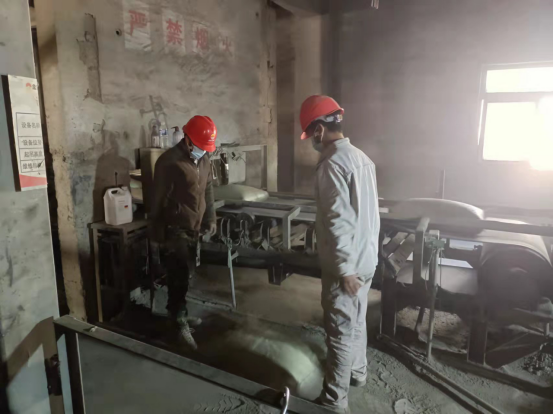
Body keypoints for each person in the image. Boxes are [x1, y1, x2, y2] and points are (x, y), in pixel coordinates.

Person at [299, 95, 380, 413]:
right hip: (366, 258)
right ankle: (358, 372)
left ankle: (334, 401)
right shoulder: (362, 158)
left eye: (310, 134)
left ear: (319, 130)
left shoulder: (332, 164)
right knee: (357, 320)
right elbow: (369, 215)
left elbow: (338, 220)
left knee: (340, 332)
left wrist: (345, 269)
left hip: (346, 266)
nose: (311, 141)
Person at [151, 115, 218, 351]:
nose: (204, 150)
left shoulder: (204, 159)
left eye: (206, 147)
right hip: (174, 229)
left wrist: (210, 217)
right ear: (187, 139)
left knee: (185, 275)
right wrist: (157, 235)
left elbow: (208, 188)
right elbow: (156, 200)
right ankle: (179, 325)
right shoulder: (168, 162)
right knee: (178, 275)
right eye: (200, 146)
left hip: (194, 227)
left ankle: (178, 314)